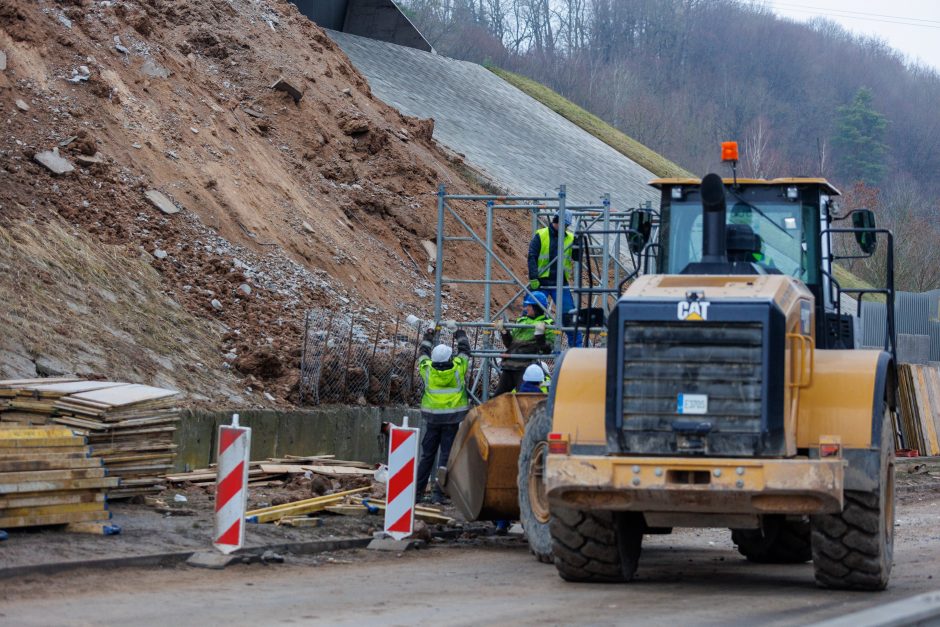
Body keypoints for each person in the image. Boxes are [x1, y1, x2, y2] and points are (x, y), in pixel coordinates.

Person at [415, 327, 471, 504]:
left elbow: (422, 352)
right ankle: (438, 494)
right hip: (452, 420)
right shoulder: (458, 369)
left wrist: (429, 333)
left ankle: (417, 494)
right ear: (449, 358)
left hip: (432, 419)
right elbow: (465, 350)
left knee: (427, 456)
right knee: (446, 457)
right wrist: (459, 332)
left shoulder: (428, 369)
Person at [527, 211, 581, 347]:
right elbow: (532, 256)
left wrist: (578, 245)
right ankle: (525, 346)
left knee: (570, 319)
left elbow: (576, 257)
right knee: (530, 314)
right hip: (541, 282)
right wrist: (533, 277)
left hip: (560, 283)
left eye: (567, 226)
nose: (566, 228)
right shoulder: (541, 234)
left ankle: (576, 350)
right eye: (565, 225)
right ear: (558, 221)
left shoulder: (569, 238)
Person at [493, 291, 554, 396]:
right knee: (497, 399)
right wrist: (504, 331)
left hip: (525, 367)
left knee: (523, 399)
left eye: (530, 305)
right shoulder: (522, 321)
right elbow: (509, 345)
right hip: (509, 365)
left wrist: (540, 336)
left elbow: (546, 350)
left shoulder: (548, 324)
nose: (527, 308)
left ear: (537, 307)